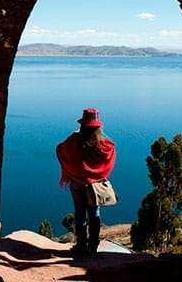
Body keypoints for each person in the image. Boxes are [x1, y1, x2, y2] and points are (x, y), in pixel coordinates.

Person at [56, 108, 116, 255]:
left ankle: (81, 246)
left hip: (77, 183)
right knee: (94, 214)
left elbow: (60, 149)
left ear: (83, 124)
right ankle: (93, 247)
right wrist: (98, 175)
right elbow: (111, 152)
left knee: (80, 215)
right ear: (97, 126)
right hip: (95, 186)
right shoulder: (103, 144)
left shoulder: (73, 140)